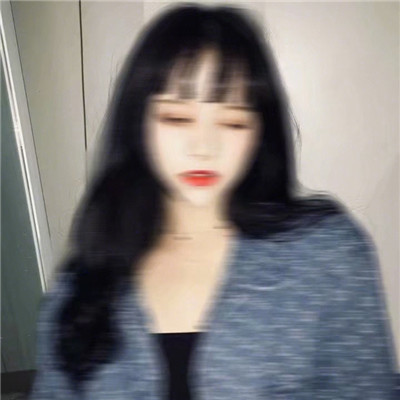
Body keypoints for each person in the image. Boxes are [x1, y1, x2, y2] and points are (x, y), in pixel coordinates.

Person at [28, 4, 397, 400]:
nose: (203, 147)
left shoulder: (327, 256)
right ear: (139, 124)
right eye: (177, 118)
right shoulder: (81, 286)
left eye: (232, 122)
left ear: (260, 133)